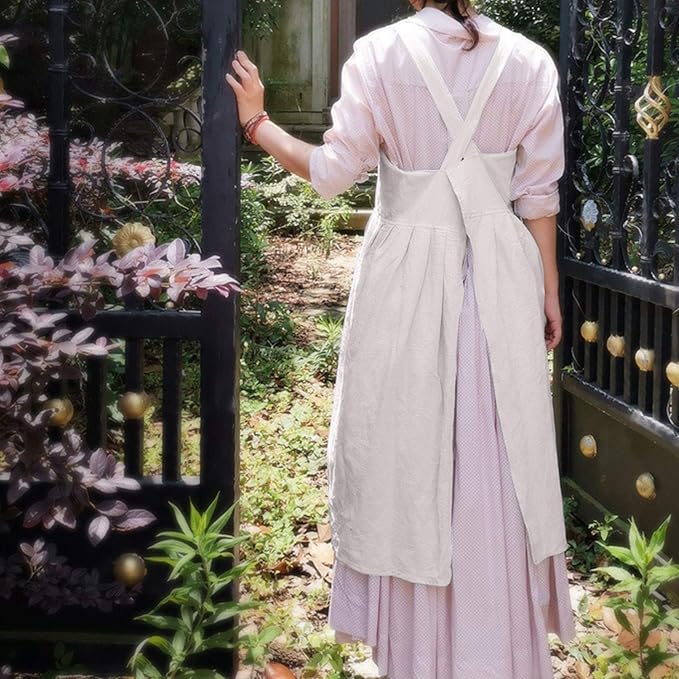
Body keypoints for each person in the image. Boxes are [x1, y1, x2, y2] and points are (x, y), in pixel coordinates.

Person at [227, 1, 576, 677]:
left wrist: (256, 122)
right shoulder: (529, 62)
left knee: (408, 453)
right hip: (501, 275)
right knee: (498, 446)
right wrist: (548, 289)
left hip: (407, 280)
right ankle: (496, 644)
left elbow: (333, 174)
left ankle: (419, 651)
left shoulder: (379, 55)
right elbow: (538, 194)